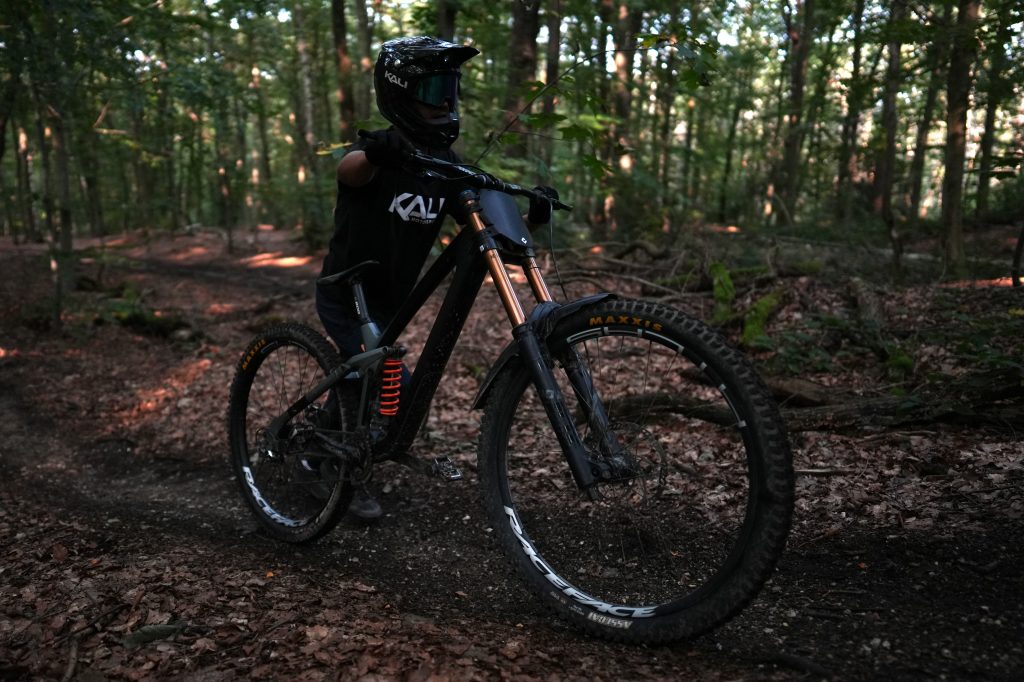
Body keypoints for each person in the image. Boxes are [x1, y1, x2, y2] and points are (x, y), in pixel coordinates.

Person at [315, 36, 557, 520]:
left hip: (393, 302)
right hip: (350, 292)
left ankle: (325, 448)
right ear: (402, 95)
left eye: (451, 90)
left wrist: (531, 214)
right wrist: (378, 154)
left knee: (381, 384)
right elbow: (350, 171)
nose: (446, 102)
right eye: (434, 92)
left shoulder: (444, 167)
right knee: (383, 379)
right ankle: (332, 469)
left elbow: (486, 223)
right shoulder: (378, 152)